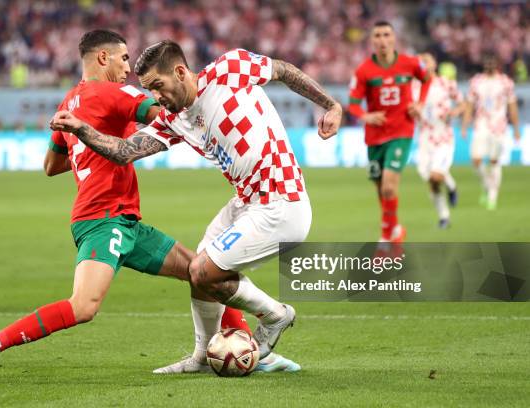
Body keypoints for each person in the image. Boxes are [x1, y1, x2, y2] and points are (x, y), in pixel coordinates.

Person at [0, 30, 298, 384]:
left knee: (201, 270)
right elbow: (168, 109)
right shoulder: (113, 91)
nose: (129, 69)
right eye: (124, 58)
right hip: (103, 219)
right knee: (83, 306)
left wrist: (90, 141)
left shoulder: (68, 103)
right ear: (103, 58)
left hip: (125, 221)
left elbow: (51, 166)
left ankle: (246, 348)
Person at [50, 40, 342, 373]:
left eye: (158, 86)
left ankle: (275, 314)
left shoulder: (228, 70)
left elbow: (283, 70)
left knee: (204, 270)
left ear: (180, 72)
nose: (156, 97)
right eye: (149, 90)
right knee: (197, 272)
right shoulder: (175, 119)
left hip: (281, 201)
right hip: (246, 202)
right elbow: (123, 151)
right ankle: (203, 356)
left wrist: (330, 104)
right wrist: (82, 129)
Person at [348, 21, 430, 242]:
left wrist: (420, 103)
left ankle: (386, 239)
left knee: (388, 187)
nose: (382, 40)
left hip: (401, 131)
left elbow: (427, 78)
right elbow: (353, 103)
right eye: (377, 35)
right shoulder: (364, 70)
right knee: (381, 189)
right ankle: (395, 229)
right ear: (372, 41)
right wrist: (365, 116)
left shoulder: (410, 63)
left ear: (394, 38)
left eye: (386, 34)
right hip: (375, 136)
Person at [461, 53, 520, 210]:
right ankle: (488, 186)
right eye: (487, 62)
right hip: (481, 124)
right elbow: (469, 104)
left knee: (494, 160)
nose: (489, 65)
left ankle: (493, 196)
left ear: (497, 64)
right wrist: (465, 125)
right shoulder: (476, 82)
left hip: (499, 126)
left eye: (492, 62)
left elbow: (512, 106)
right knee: (476, 160)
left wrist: (515, 128)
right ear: (483, 64)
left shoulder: (506, 82)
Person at [414, 53, 464, 228]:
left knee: (436, 176)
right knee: (431, 180)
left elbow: (462, 103)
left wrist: (455, 112)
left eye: (426, 61)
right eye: (420, 62)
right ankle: (445, 213)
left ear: (434, 64)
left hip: (443, 137)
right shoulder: (413, 86)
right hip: (424, 140)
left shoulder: (446, 83)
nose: (424, 65)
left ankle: (444, 214)